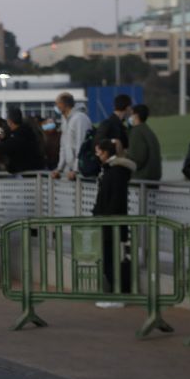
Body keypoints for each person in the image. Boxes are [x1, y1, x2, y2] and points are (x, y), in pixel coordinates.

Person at [93, 138, 137, 306]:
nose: (97, 156)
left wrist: (104, 216)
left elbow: (114, 200)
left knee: (112, 259)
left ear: (105, 152)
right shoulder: (112, 170)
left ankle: (117, 294)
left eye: (99, 152)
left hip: (112, 223)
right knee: (109, 258)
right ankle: (115, 292)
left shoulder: (115, 172)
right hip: (110, 222)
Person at [0, 108, 45, 174]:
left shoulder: (18, 135)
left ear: (10, 121)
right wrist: (4, 138)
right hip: (28, 171)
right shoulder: (24, 131)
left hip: (26, 173)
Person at [52, 93, 92, 181]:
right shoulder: (65, 119)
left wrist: (76, 169)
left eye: (57, 103)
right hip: (70, 170)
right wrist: (59, 168)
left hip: (81, 170)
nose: (57, 106)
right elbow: (63, 146)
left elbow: (81, 144)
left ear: (64, 104)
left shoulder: (79, 119)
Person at [127, 104, 162, 182]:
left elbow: (136, 159)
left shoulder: (136, 132)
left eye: (131, 114)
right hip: (152, 179)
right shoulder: (148, 131)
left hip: (141, 181)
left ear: (136, 115)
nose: (130, 117)